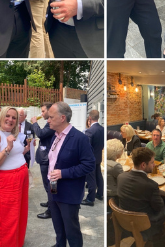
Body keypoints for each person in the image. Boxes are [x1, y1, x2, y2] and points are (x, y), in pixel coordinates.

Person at [47, 101, 96, 247]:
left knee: (71, 230)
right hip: (53, 189)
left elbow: (89, 165)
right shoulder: (54, 136)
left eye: (51, 117)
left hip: (69, 193)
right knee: (58, 226)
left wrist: (63, 173)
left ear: (62, 118)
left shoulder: (80, 138)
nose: (47, 120)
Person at [0, 107, 30, 246]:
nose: (10, 119)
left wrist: (25, 150)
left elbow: (13, 156)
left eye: (14, 117)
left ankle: (17, 242)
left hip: (21, 176)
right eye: (8, 116)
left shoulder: (11, 132)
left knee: (20, 214)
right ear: (1, 116)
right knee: (7, 218)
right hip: (7, 180)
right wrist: (8, 148)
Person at [116, 147, 165, 242]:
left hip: (123, 221)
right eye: (152, 162)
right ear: (143, 165)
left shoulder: (121, 177)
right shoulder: (151, 185)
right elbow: (159, 207)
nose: (154, 165)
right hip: (143, 225)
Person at [31, 102, 55, 219]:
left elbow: (40, 134)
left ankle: (51, 210)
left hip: (47, 159)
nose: (42, 113)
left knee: (49, 185)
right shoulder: (48, 123)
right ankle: (50, 203)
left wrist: (35, 122)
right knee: (48, 185)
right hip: (44, 157)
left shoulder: (51, 125)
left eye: (43, 111)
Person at [83, 109, 104, 206]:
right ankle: (100, 194)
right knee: (99, 176)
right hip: (99, 156)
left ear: (90, 118)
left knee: (91, 178)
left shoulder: (89, 131)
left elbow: (86, 148)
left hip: (90, 158)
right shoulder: (102, 129)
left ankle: (90, 199)